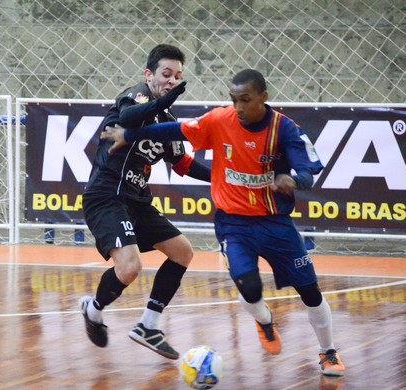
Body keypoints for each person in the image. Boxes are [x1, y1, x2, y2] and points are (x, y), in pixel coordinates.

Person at [100, 69, 346, 376]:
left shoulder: (284, 129)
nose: (239, 107)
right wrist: (130, 134)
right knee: (251, 289)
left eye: (245, 100)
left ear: (263, 99)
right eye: (234, 100)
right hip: (234, 224)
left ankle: (328, 351)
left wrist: (294, 181)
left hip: (276, 223)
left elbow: (309, 171)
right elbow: (175, 130)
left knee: (309, 291)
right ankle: (264, 321)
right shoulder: (220, 120)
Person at [79, 44, 210, 360]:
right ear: (149, 74)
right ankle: (93, 310)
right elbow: (129, 117)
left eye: (178, 76)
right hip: (107, 195)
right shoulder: (136, 96)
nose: (172, 80)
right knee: (130, 267)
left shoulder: (166, 119)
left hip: (137, 201)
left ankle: (148, 326)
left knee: (182, 252)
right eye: (166, 74)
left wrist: (221, 176)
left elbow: (183, 164)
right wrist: (161, 101)